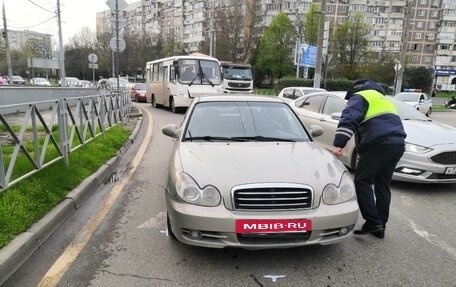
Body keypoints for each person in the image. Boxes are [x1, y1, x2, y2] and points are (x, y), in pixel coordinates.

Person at [332, 79, 406, 239]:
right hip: (398, 143)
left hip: (378, 144)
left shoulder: (360, 96)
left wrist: (339, 143)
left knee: (362, 181)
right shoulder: (383, 99)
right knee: (382, 183)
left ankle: (373, 221)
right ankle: (380, 225)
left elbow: (349, 118)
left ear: (355, 90)